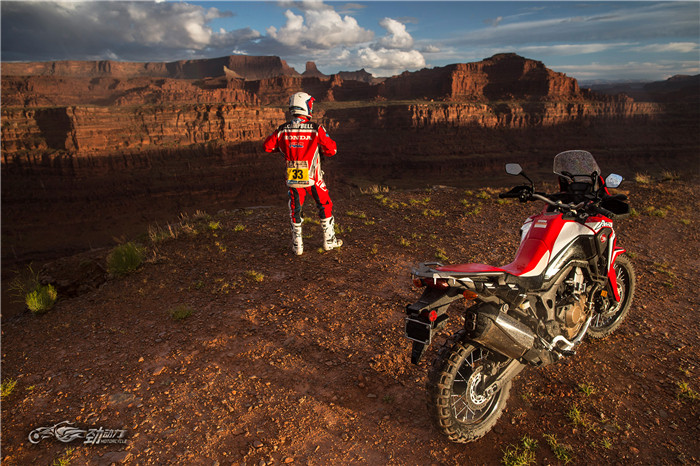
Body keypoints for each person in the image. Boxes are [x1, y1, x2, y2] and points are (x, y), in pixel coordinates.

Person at [263, 92, 343, 255]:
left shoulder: (283, 129)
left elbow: (267, 147)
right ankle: (329, 241)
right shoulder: (316, 129)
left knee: (295, 208)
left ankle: (297, 246)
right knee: (325, 204)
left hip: (293, 176)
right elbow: (332, 150)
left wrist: (284, 150)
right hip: (313, 177)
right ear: (305, 106)